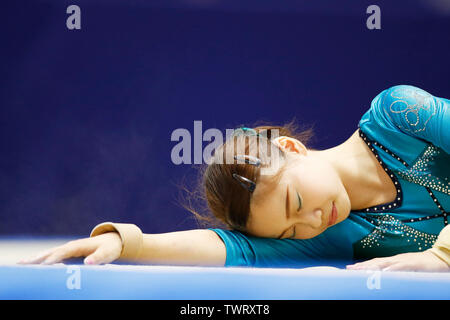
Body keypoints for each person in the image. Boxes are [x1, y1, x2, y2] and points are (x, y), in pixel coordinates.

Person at [19, 85, 450, 272]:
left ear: (292, 148)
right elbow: (235, 249)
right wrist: (127, 241)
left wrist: (443, 254)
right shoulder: (327, 235)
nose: (312, 223)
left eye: (296, 204)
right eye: (292, 231)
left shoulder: (399, 115)